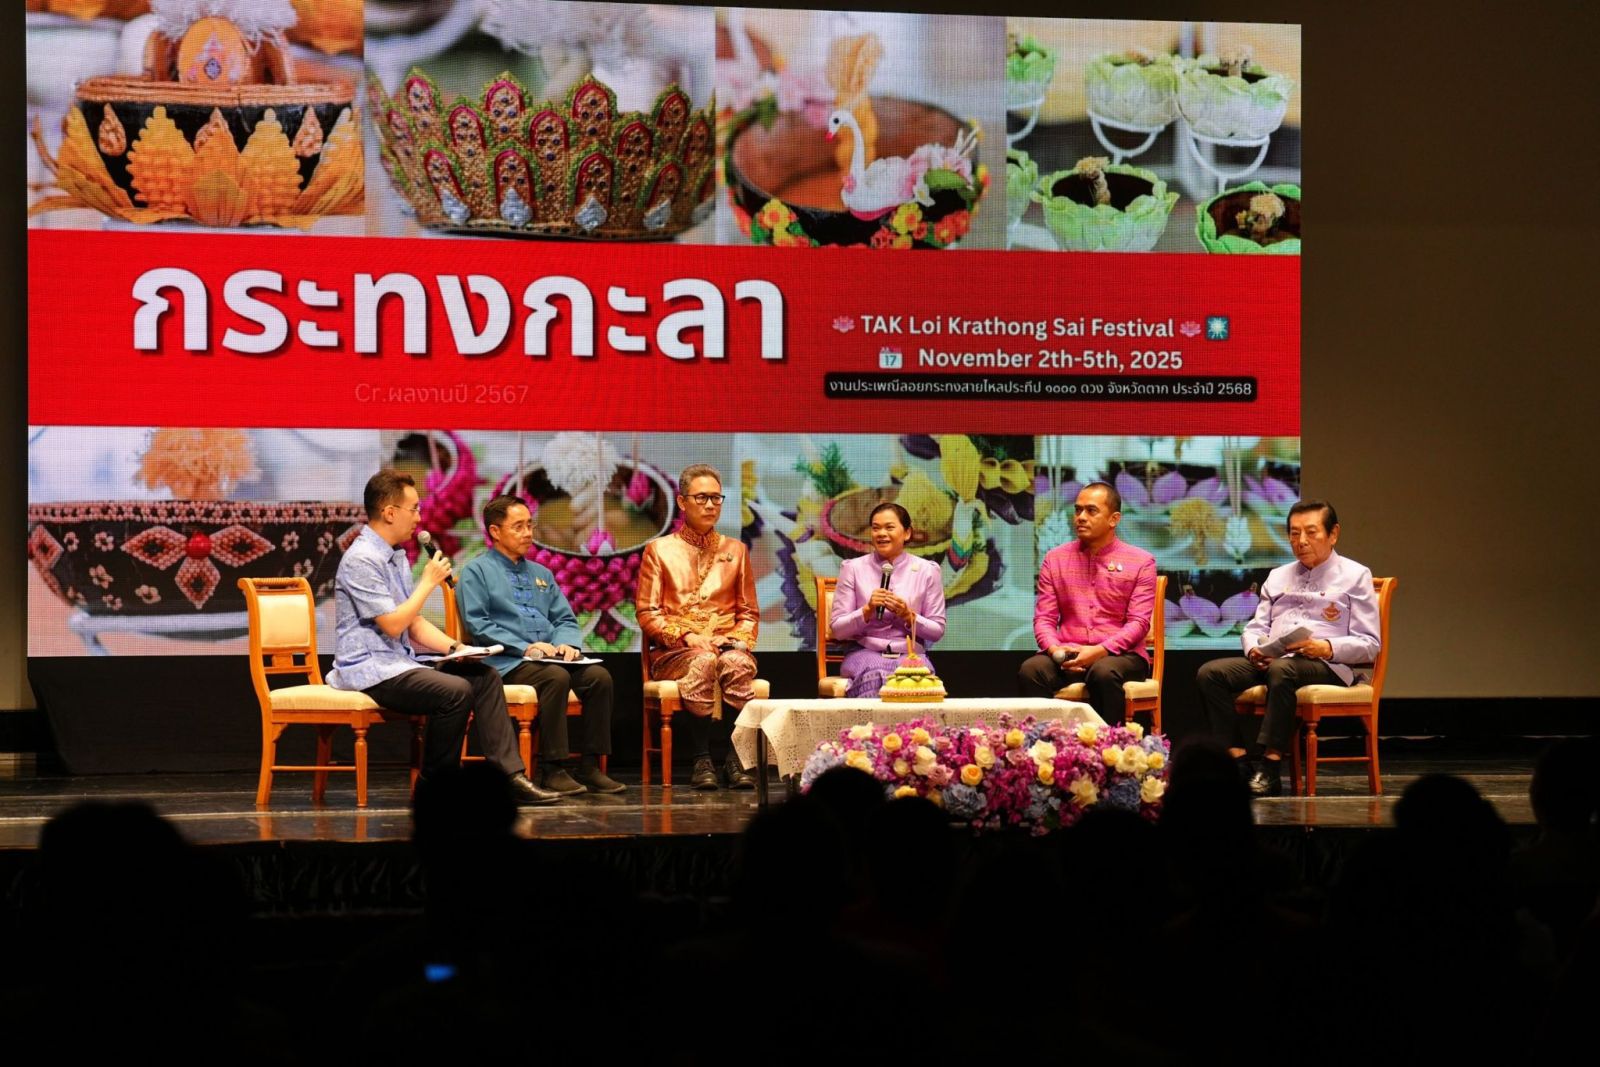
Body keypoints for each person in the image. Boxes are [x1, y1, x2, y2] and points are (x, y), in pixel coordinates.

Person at [327, 470, 561, 805]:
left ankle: (510, 777)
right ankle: (434, 787)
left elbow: (414, 623)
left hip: (399, 663)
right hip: (369, 668)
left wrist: (457, 647)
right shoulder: (362, 558)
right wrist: (427, 583)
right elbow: (393, 625)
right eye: (414, 509)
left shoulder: (395, 555)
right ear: (390, 512)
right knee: (454, 691)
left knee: (483, 677)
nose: (419, 518)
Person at [1195, 499, 1380, 796]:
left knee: (1283, 670)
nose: (1301, 541)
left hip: (1327, 665)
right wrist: (1254, 649)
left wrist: (1325, 647)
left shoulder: (1356, 575)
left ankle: (1270, 767)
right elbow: (1256, 627)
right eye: (1294, 533)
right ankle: (1239, 761)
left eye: (1311, 532)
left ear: (1333, 534)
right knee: (1211, 674)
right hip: (1277, 660)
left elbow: (1369, 644)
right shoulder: (1278, 575)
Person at [456, 494, 625, 795]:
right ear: (495, 531)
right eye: (518, 527)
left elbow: (565, 619)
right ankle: (553, 768)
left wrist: (566, 644)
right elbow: (478, 624)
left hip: (546, 659)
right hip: (505, 663)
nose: (528, 533)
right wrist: (525, 647)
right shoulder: (476, 571)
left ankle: (590, 766)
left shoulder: (541, 573)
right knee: (554, 677)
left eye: (530, 525)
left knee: (599, 678)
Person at [635, 464, 760, 790]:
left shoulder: (736, 550)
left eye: (716, 498)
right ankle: (701, 758)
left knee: (736, 663)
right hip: (675, 652)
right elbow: (647, 613)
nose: (710, 505)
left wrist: (735, 640)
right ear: (682, 502)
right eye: (701, 498)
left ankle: (734, 759)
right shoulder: (659, 550)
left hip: (724, 646)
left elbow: (748, 613)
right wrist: (687, 636)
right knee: (703, 661)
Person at [1016, 481, 1157, 724]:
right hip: (1067, 654)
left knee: (1103, 672)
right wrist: (1057, 652)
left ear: (1114, 519)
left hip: (1120, 656)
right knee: (1031, 670)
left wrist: (1099, 651)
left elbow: (1139, 623)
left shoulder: (1141, 562)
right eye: (1078, 510)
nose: (1081, 517)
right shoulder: (1055, 559)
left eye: (1091, 511)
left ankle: (1110, 743)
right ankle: (1047, 742)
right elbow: (1044, 619)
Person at [827, 501, 946, 697]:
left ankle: (915, 720)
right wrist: (867, 610)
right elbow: (838, 630)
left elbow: (937, 631)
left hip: (910, 655)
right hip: (864, 652)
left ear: (907, 533)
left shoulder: (927, 571)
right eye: (876, 528)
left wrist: (908, 615)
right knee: (878, 674)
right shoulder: (853, 568)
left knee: (919, 681)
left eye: (889, 527)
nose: (881, 533)